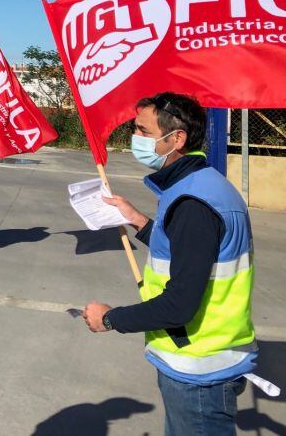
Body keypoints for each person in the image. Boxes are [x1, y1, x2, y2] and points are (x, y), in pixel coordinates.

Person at [82, 93, 257, 436]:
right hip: (203, 361)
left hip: (199, 368)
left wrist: (109, 318)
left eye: (143, 132)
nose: (136, 140)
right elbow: (187, 251)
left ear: (177, 139)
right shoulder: (201, 186)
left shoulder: (193, 202)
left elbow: (179, 306)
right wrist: (137, 221)